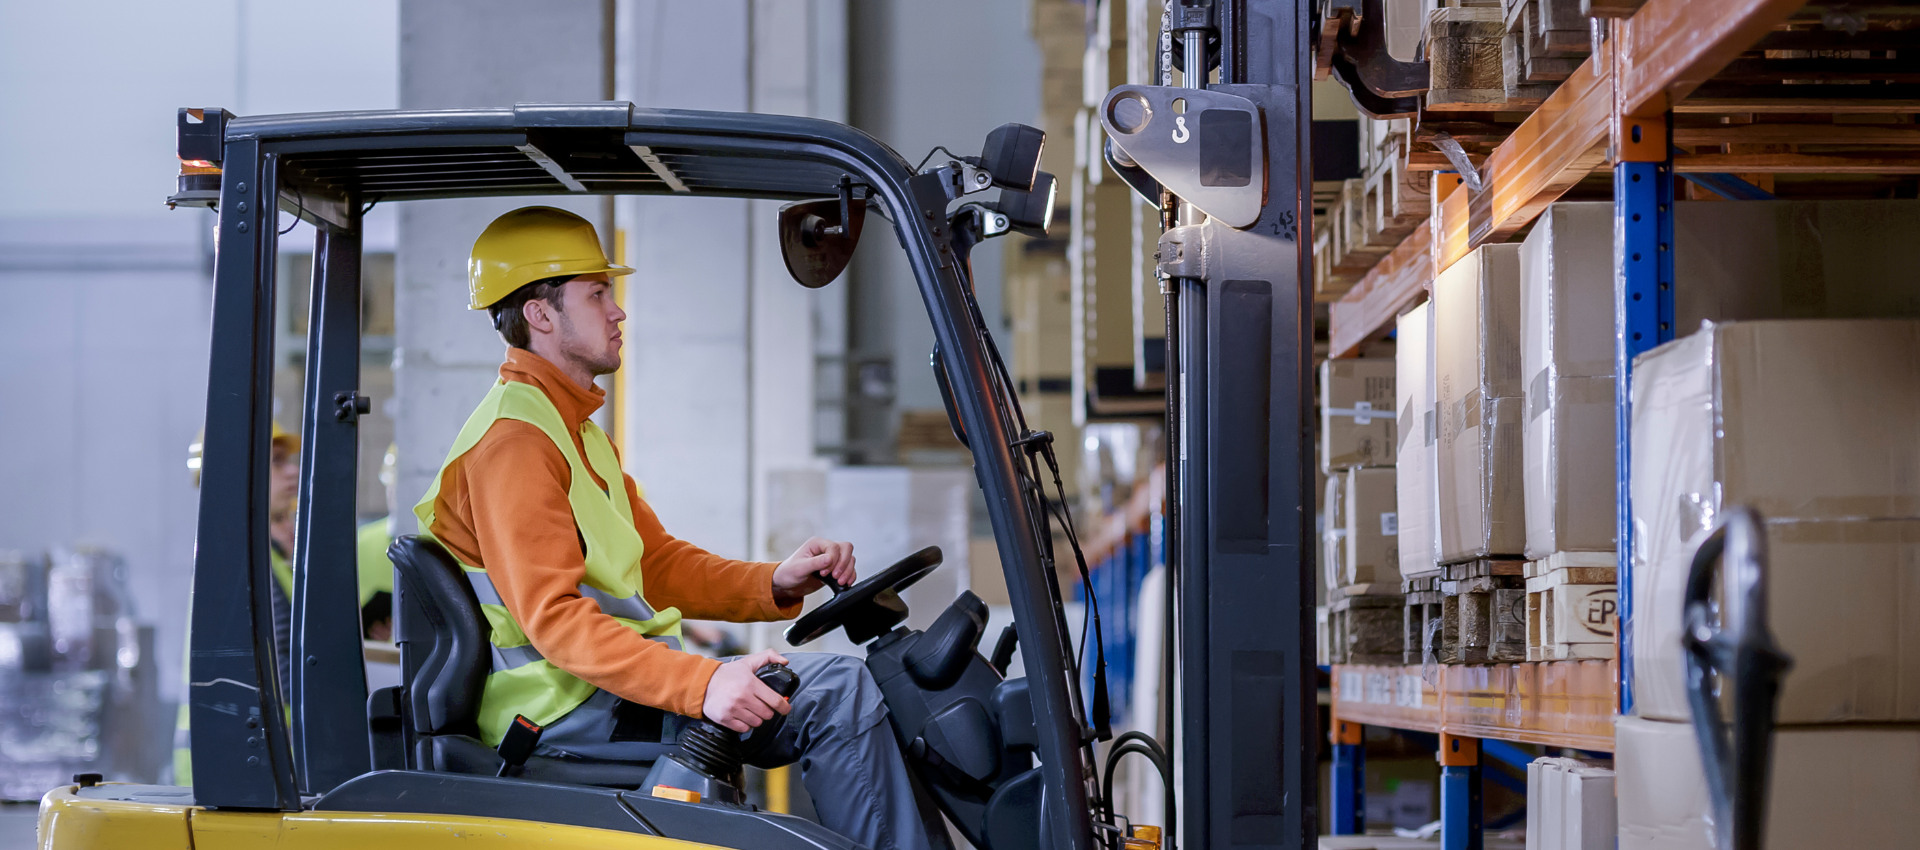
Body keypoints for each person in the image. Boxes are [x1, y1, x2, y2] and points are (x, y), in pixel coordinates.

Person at [414, 206, 943, 850]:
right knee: (836, 692)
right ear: (541, 314)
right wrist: (704, 683)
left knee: (840, 685)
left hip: (605, 689)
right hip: (563, 710)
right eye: (598, 293)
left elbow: (656, 565)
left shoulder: (572, 430)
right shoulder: (515, 443)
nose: (618, 312)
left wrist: (773, 580)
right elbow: (553, 620)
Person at [174, 421, 302, 785]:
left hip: (246, 758)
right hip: (238, 765)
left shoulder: (265, 556)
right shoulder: (239, 558)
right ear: (237, 477)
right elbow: (284, 669)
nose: (292, 470)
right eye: (276, 462)